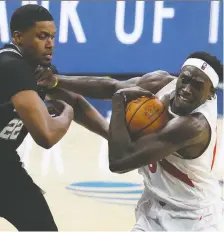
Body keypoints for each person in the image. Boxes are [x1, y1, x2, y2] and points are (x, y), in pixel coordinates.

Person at [38, 52, 223, 230]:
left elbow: (119, 161)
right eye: (185, 79)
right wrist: (56, 81)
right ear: (179, 75)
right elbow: (113, 87)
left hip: (194, 220)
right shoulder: (162, 83)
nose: (187, 89)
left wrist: (119, 102)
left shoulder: (194, 126)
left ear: (210, 93)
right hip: (153, 210)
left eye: (197, 86)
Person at [0, 4, 108, 231]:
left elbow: (76, 101)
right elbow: (47, 136)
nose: (50, 44)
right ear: (18, 37)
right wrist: (66, 113)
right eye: (42, 36)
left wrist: (112, 136)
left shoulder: (39, 69)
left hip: (5, 166)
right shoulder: (10, 66)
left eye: (52, 37)